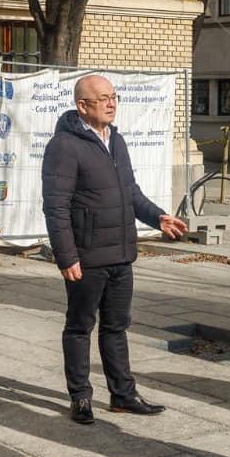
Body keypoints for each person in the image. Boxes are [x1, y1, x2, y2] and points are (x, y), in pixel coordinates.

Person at [41, 72, 187, 425]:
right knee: (80, 327)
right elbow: (56, 206)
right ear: (82, 105)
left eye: (113, 97)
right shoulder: (64, 146)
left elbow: (130, 192)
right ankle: (80, 397)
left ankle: (123, 394)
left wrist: (158, 217)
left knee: (116, 327)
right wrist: (66, 255)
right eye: (103, 98)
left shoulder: (116, 140)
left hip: (121, 254)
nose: (111, 103)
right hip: (87, 256)